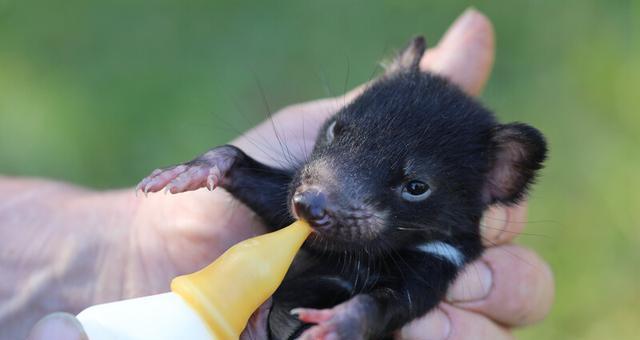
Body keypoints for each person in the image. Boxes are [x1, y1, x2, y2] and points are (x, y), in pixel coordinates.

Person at [0, 8, 553, 340]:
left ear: (495, 182)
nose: (320, 198)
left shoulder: (437, 256)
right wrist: (227, 166)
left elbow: (399, 302)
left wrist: (361, 316)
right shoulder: (318, 203)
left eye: (413, 187)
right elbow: (274, 194)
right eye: (339, 136)